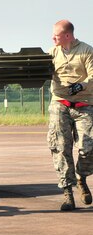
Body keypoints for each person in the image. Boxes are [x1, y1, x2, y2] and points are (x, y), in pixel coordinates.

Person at [47, 20, 93, 211]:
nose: (53, 38)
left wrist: (81, 85)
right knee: (60, 148)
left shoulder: (86, 51)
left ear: (67, 35)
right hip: (60, 104)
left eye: (56, 35)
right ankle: (68, 194)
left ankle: (81, 176)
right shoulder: (52, 53)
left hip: (84, 105)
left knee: (88, 147)